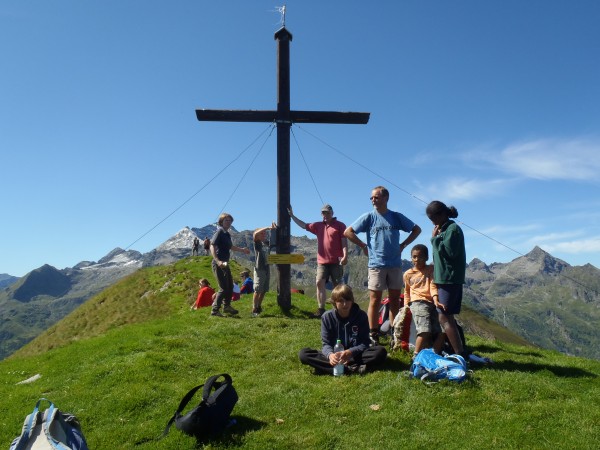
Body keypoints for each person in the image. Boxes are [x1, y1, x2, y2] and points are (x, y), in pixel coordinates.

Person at [344, 186, 421, 346]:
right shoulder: (369, 217)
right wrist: (363, 246)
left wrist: (404, 245)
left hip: (394, 264)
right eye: (371, 198)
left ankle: (395, 333)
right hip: (376, 264)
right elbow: (348, 232)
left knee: (394, 300)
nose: (373, 200)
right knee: (375, 300)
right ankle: (373, 334)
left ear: (386, 198)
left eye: (376, 197)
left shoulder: (396, 217)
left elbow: (416, 229)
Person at [298, 284, 387, 375]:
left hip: (354, 355)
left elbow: (364, 343)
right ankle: (352, 368)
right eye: (341, 301)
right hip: (335, 355)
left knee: (380, 352)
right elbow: (326, 344)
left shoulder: (361, 316)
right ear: (334, 302)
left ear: (352, 301)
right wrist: (330, 355)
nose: (345, 304)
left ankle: (329, 368)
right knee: (304, 354)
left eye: (348, 300)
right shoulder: (327, 317)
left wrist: (350, 352)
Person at [288, 204, 348, 318]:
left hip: (336, 261)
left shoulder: (340, 225)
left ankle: (338, 310)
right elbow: (303, 225)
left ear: (332, 213)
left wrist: (345, 256)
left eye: (327, 213)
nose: (325, 215)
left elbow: (344, 242)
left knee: (338, 287)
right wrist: (292, 215)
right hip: (322, 262)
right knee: (319, 282)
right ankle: (321, 309)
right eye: (323, 213)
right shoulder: (318, 225)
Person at [425, 200, 467, 359]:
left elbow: (450, 252)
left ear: (442, 215)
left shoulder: (453, 229)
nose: (432, 221)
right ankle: (458, 351)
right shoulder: (444, 229)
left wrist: (434, 239)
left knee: (444, 316)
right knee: (446, 316)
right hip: (444, 278)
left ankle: (460, 354)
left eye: (432, 218)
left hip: (449, 279)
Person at [403, 244, 444, 355]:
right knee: (424, 330)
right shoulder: (407, 274)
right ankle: (416, 356)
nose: (417, 260)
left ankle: (433, 354)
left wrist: (435, 300)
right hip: (417, 303)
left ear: (426, 258)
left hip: (431, 303)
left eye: (420, 257)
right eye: (414, 257)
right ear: (411, 258)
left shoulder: (430, 269)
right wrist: (406, 306)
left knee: (442, 332)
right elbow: (407, 291)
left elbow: (432, 285)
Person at [210, 213, 250, 316]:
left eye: (229, 221)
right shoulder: (219, 232)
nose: (228, 222)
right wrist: (217, 261)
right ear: (221, 222)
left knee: (229, 286)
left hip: (225, 263)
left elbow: (231, 247)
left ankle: (226, 306)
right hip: (218, 263)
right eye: (226, 220)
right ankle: (215, 310)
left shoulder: (226, 234)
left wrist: (242, 250)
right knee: (223, 287)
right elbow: (212, 246)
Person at [251, 222, 276, 316]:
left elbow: (275, 240)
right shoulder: (257, 243)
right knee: (258, 289)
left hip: (266, 268)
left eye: (265, 233)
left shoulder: (266, 243)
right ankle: (254, 308)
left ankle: (259, 307)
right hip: (259, 268)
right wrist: (267, 227)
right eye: (262, 233)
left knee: (264, 289)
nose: (264, 234)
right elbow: (255, 234)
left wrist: (273, 230)